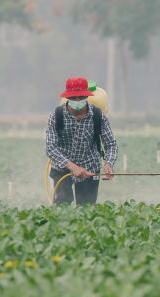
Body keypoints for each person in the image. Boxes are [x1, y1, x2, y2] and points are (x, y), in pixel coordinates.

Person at [46, 77, 119, 205]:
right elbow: (51, 148)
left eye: (81, 97)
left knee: (87, 208)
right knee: (63, 203)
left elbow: (111, 144)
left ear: (87, 96)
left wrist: (109, 163)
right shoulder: (56, 116)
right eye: (74, 98)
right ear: (67, 98)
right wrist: (72, 167)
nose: (77, 101)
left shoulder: (98, 116)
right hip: (62, 167)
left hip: (89, 167)